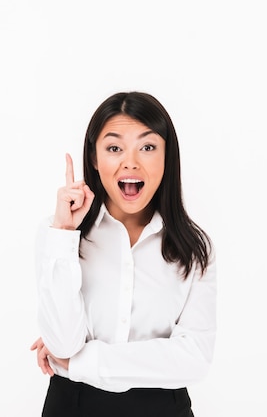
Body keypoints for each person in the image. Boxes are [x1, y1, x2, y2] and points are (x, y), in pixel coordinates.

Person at [30, 91, 217, 417]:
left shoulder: (194, 247)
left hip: (163, 409)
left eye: (147, 147)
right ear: (94, 158)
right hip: (72, 407)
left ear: (166, 156)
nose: (131, 161)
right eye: (114, 148)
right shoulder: (58, 234)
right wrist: (64, 235)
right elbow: (61, 345)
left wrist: (82, 362)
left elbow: (194, 359)